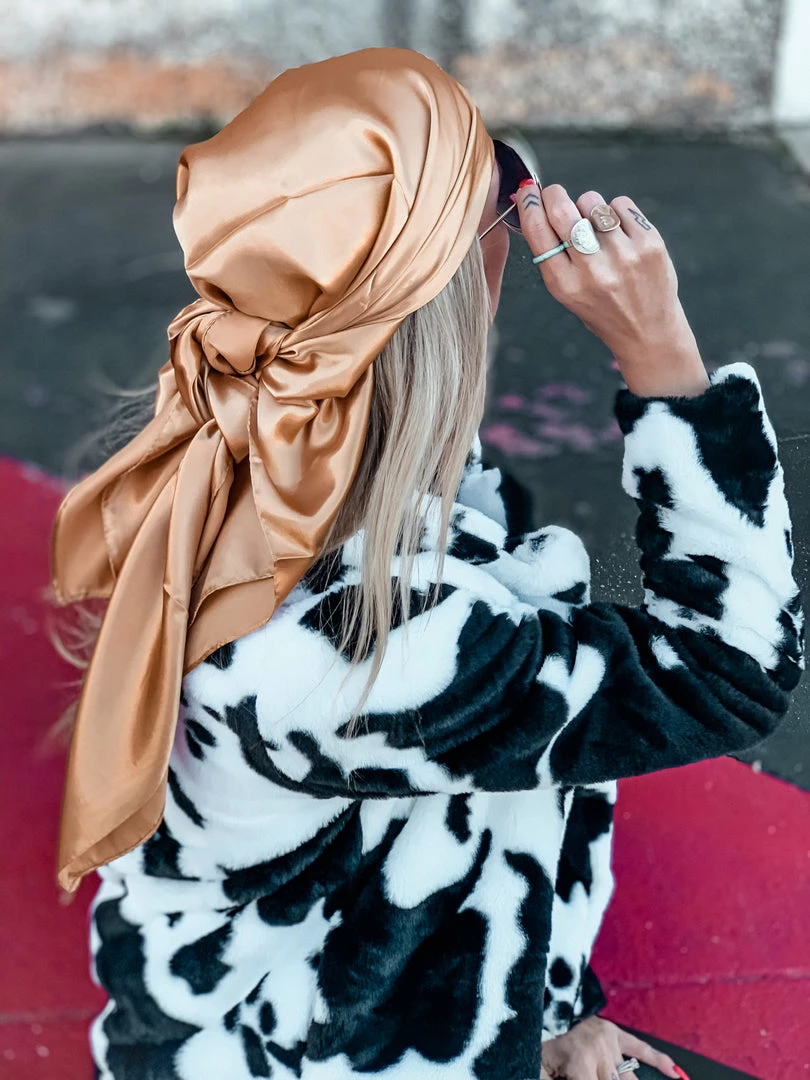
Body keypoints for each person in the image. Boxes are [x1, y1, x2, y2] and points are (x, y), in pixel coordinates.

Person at [48, 47, 804, 1080]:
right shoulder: (359, 638)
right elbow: (725, 674)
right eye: (501, 228)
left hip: (332, 1001)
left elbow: (478, 780)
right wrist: (665, 362)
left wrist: (548, 1010)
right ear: (441, 300)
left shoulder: (272, 441)